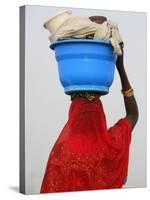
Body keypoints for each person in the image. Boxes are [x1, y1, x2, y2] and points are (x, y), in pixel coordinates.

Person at [40, 16, 138, 193]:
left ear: (72, 115)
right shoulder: (111, 147)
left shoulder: (60, 153)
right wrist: (120, 68)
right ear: (101, 115)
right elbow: (133, 115)